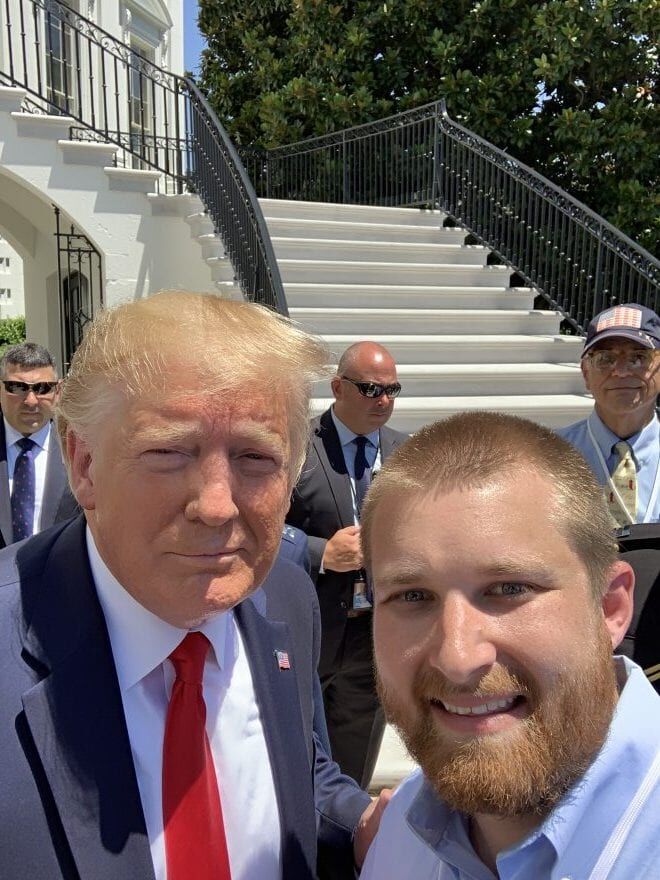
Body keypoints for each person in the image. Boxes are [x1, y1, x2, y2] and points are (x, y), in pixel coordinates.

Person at [0, 292, 381, 880]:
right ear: (84, 465)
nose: (216, 505)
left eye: (256, 456)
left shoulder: (285, 594)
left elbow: (293, 769)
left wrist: (364, 827)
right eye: (170, 452)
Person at [358, 411, 660, 879]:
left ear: (610, 608)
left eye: (509, 588)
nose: (457, 658)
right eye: (412, 596)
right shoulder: (400, 832)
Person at [286, 341, 408, 788]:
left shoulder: (407, 454)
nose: (384, 400)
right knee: (295, 762)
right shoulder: (296, 446)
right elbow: (262, 528)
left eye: (392, 390)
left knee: (352, 773)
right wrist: (320, 553)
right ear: (338, 387)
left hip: (372, 638)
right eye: (371, 389)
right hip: (310, 627)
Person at [558, 303, 660, 525]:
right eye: (605, 359)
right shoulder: (551, 455)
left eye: (638, 357)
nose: (621, 372)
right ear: (586, 373)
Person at [0, 341, 77, 546]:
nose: (31, 401)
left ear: (58, 391)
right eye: (18, 387)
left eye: (43, 388)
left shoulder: (80, 450)